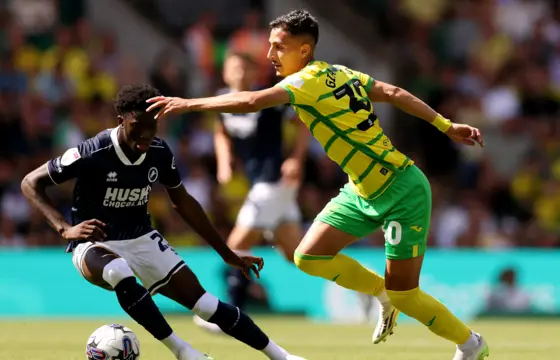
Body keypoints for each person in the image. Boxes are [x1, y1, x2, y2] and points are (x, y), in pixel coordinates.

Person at [146, 10, 489, 360]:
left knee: (406, 294)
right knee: (308, 256)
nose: (270, 55)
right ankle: (378, 291)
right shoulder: (340, 73)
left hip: (402, 190)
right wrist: (446, 125)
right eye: (270, 46)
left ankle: (470, 343)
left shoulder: (303, 82)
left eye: (280, 47)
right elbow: (395, 92)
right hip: (361, 190)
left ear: (305, 51)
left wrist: (189, 103)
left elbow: (250, 101)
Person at [21, 84, 306, 360]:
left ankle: (281, 356)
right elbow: (31, 183)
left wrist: (228, 254)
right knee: (118, 269)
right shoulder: (93, 151)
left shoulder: (158, 152)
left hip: (141, 238)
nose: (145, 135)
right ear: (121, 120)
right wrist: (65, 229)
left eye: (153, 126)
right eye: (138, 126)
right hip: (94, 243)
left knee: (206, 304)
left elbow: (184, 203)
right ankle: (183, 351)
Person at [193, 52, 308, 332]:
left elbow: (302, 123)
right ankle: (362, 289)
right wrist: (223, 161)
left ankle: (229, 318)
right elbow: (221, 131)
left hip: (274, 182)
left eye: (246, 67)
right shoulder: (223, 100)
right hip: (263, 185)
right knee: (301, 256)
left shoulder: (266, 98)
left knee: (236, 247)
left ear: (255, 73)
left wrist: (295, 159)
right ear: (225, 74)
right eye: (234, 67)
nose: (240, 72)